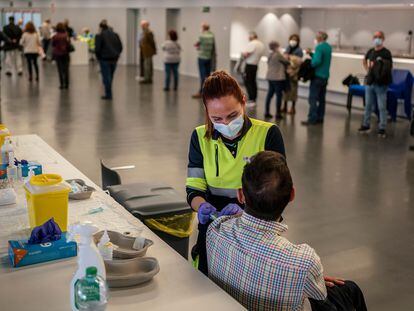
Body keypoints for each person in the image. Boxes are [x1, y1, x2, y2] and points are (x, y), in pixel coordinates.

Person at [207, 151, 368, 311]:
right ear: (292, 195)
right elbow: (320, 296)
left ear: (241, 195)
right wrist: (306, 278)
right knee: (349, 290)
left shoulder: (215, 230)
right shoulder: (304, 262)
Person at [186, 70, 286, 275]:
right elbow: (193, 189)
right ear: (206, 111)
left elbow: (277, 194)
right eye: (217, 118)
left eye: (232, 115)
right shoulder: (199, 137)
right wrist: (202, 206)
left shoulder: (268, 134)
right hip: (214, 229)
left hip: (257, 230)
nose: (226, 124)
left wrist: (245, 212)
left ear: (243, 101)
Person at [358, 31, 393, 138]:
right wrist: (368, 69)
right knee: (368, 105)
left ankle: (382, 128)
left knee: (382, 106)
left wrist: (379, 69)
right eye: (375, 37)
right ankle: (366, 124)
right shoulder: (371, 51)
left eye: (379, 37)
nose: (377, 38)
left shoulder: (386, 52)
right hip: (370, 82)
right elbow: (364, 60)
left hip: (381, 84)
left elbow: (390, 67)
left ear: (383, 38)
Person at [302, 31, 332, 126]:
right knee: (322, 99)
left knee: (313, 98)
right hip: (325, 76)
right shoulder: (328, 47)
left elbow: (316, 61)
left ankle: (312, 118)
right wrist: (311, 54)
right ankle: (320, 117)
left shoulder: (319, 47)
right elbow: (321, 58)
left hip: (317, 76)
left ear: (320, 38)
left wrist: (308, 65)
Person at [95, 21, 123, 100]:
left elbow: (97, 49)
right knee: (111, 76)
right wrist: (117, 54)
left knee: (106, 77)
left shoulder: (99, 35)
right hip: (114, 59)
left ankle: (108, 94)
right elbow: (120, 47)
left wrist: (98, 57)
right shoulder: (115, 35)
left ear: (100, 28)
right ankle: (108, 92)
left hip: (104, 59)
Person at [264, 41, 289, 120]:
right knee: (279, 95)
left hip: (270, 77)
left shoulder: (270, 54)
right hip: (278, 78)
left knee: (269, 95)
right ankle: (278, 113)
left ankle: (267, 112)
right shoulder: (278, 55)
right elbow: (287, 62)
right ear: (276, 47)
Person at [192, 23, 216, 99]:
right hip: (209, 57)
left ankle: (201, 92)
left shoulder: (201, 36)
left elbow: (197, 44)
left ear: (203, 28)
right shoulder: (212, 35)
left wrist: (197, 46)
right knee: (208, 75)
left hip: (202, 57)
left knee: (202, 76)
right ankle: (208, 92)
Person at [242, 31, 265, 107]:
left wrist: (243, 54)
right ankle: (254, 98)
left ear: (252, 36)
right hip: (255, 65)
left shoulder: (252, 43)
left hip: (249, 65)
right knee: (253, 82)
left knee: (248, 82)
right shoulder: (261, 44)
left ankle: (251, 99)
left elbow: (246, 54)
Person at [282, 34, 303, 114]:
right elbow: (284, 57)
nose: (293, 41)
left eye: (295, 40)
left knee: (293, 91)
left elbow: (298, 62)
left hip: (294, 74)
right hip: (286, 73)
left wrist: (290, 57)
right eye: (292, 39)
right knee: (286, 90)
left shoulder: (299, 50)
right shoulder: (288, 48)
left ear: (298, 41)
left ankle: (293, 108)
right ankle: (284, 106)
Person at [52, 22, 71, 89]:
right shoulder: (66, 35)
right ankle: (67, 84)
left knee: (60, 69)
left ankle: (62, 84)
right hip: (65, 53)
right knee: (66, 69)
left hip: (58, 54)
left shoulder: (55, 36)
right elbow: (68, 44)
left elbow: (53, 45)